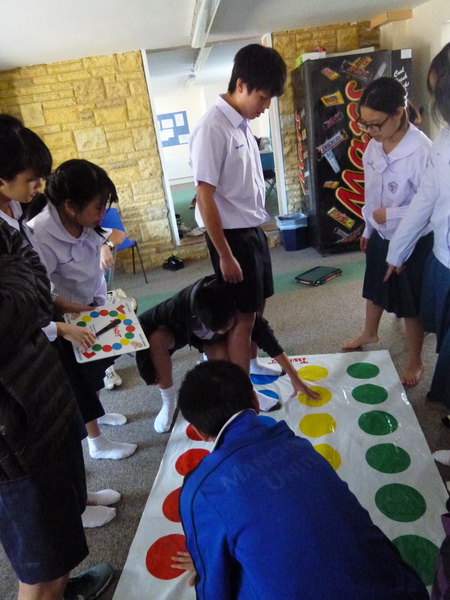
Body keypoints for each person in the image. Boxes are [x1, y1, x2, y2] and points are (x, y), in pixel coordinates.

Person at [175, 360, 429, 600]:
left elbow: (214, 588)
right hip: (404, 589)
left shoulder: (203, 489)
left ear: (198, 432)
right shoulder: (298, 444)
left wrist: (205, 564)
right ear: (255, 400)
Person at [0, 115, 122, 527]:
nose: (38, 186)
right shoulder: (29, 228)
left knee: (66, 423)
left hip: (51, 334)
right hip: (32, 352)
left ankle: (79, 497)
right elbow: (23, 306)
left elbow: (32, 292)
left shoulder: (16, 212)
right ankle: (73, 507)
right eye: (31, 178)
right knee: (48, 440)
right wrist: (61, 322)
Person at [0, 219, 113, 600]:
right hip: (13, 429)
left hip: (37, 396)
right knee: (41, 563)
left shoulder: (9, 229)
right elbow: (25, 300)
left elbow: (36, 289)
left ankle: (63, 590)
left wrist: (28, 285)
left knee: (59, 539)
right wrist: (29, 284)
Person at [27, 159, 137, 461]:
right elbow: (40, 288)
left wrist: (104, 246)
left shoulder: (86, 222)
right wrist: (67, 306)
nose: (102, 214)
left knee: (96, 367)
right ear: (70, 206)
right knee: (80, 380)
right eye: (98, 208)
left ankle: (98, 416)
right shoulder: (39, 234)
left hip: (91, 304)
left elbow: (112, 235)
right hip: (66, 316)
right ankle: (96, 443)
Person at [189, 43, 287, 377]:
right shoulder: (212, 127)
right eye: (263, 97)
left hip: (251, 231)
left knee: (256, 308)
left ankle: (253, 364)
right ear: (241, 84)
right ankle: (241, 390)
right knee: (241, 318)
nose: (266, 106)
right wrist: (225, 255)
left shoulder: (241, 123)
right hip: (230, 238)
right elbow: (204, 196)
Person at [136, 275, 319, 432]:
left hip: (213, 340)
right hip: (188, 333)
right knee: (156, 339)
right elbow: (142, 322)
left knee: (223, 358)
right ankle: (168, 402)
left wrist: (295, 377)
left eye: (227, 327)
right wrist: (146, 369)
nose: (224, 331)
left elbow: (268, 340)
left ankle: (247, 391)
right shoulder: (178, 306)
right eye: (219, 329)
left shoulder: (240, 304)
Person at [343, 77, 433, 386]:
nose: (371, 131)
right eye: (365, 124)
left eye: (376, 124)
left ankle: (415, 359)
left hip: (413, 239)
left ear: (398, 113)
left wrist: (390, 214)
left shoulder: (422, 151)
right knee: (375, 286)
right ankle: (370, 332)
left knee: (410, 304)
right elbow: (371, 194)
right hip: (381, 233)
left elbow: (429, 205)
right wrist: (369, 227)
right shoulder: (373, 146)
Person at [385, 42, 450, 464]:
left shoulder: (429, 142)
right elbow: (426, 199)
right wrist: (397, 250)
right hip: (443, 260)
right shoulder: (444, 142)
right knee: (445, 339)